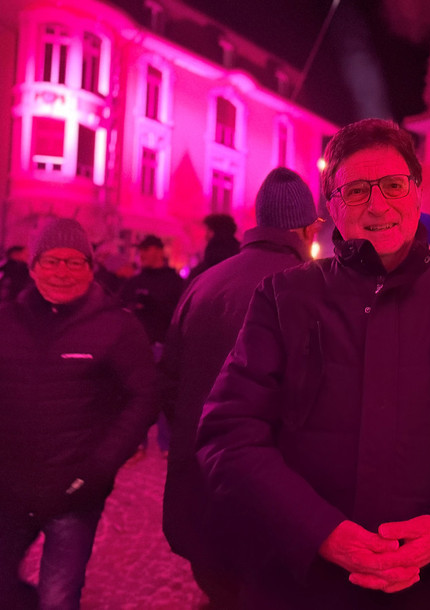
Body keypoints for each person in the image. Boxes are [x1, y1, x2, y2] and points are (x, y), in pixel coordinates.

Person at [195, 119, 430, 610]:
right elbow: (229, 433)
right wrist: (318, 530)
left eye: (392, 185)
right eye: (357, 190)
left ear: (416, 194)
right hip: (300, 586)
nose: (378, 204)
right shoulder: (284, 297)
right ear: (333, 207)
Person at [160, 167, 322, 607]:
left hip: (200, 489)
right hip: (274, 501)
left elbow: (170, 383)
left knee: (221, 592)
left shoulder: (203, 283)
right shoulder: (314, 291)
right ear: (307, 228)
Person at [0, 217, 157, 609]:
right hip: (7, 491)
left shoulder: (117, 327)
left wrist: (98, 468)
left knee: (58, 598)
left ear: (90, 268)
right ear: (32, 267)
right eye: (51, 261)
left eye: (74, 262)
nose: (62, 271)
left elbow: (144, 397)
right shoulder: (4, 323)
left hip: (74, 492)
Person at [121, 234, 184, 456]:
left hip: (163, 344)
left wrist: (155, 305)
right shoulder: (135, 282)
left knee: (163, 393)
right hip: (137, 345)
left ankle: (166, 443)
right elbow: (120, 308)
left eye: (146, 250)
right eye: (141, 251)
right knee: (136, 394)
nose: (143, 255)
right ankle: (138, 441)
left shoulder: (174, 282)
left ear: (158, 251)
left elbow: (181, 314)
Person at [186, 213, 241, 283]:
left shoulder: (210, 260)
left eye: (208, 230)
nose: (205, 236)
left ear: (213, 232)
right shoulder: (239, 253)